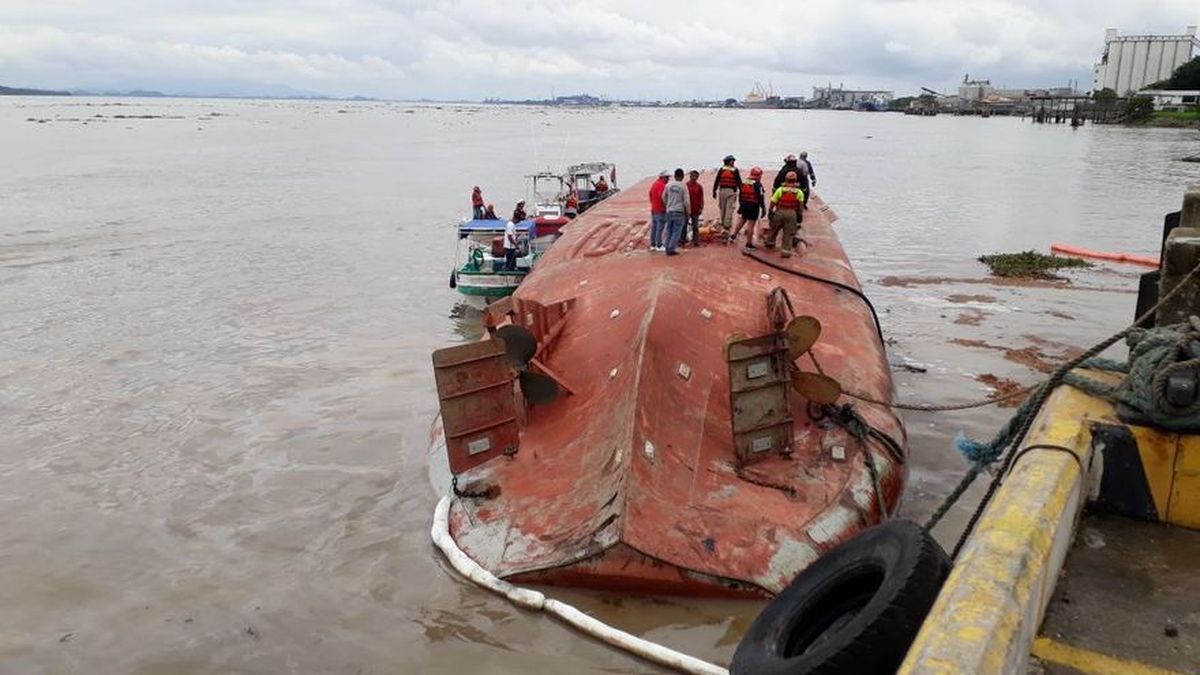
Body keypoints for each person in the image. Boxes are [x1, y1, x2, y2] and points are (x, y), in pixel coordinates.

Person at [764, 171, 806, 258]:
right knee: (788, 233)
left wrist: (770, 211)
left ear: (786, 180)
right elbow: (801, 206)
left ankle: (769, 243)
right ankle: (786, 251)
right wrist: (799, 215)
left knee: (774, 229)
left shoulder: (780, 190)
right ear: (795, 180)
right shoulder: (799, 192)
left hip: (780, 212)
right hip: (792, 214)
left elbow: (773, 202)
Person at [730, 167, 765, 249]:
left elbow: (740, 195)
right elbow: (760, 197)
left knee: (742, 219)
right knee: (751, 224)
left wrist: (740, 206)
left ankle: (733, 235)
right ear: (758, 176)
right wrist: (763, 208)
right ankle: (749, 243)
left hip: (744, 204)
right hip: (753, 205)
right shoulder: (757, 184)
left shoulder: (744, 182)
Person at [662, 168, 691, 256]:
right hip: (679, 211)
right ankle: (671, 248)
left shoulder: (668, 185)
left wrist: (667, 205)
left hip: (669, 210)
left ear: (674, 176)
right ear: (682, 176)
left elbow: (663, 197)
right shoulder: (683, 186)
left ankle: (667, 247)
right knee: (676, 231)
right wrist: (688, 212)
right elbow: (686, 201)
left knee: (669, 230)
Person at [711, 155, 741, 232]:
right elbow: (739, 182)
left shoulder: (721, 169)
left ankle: (723, 222)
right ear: (730, 162)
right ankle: (726, 226)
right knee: (729, 209)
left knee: (722, 208)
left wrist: (714, 191)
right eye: (733, 161)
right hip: (731, 191)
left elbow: (716, 181)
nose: (734, 162)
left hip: (722, 191)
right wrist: (742, 192)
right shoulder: (735, 170)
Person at [648, 170, 669, 251]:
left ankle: (653, 244)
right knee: (660, 228)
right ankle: (659, 245)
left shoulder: (654, 184)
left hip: (654, 209)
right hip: (660, 210)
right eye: (666, 177)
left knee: (654, 227)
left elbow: (650, 194)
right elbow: (663, 197)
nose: (668, 179)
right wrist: (667, 206)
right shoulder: (662, 186)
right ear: (662, 177)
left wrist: (653, 203)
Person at [682, 170, 704, 246]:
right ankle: (682, 240)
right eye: (693, 176)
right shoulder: (685, 185)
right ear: (690, 176)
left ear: (697, 177)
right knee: (684, 225)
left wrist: (701, 208)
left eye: (696, 176)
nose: (694, 178)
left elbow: (701, 198)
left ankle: (696, 241)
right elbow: (682, 198)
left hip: (696, 209)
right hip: (686, 209)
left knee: (695, 226)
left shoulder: (699, 187)